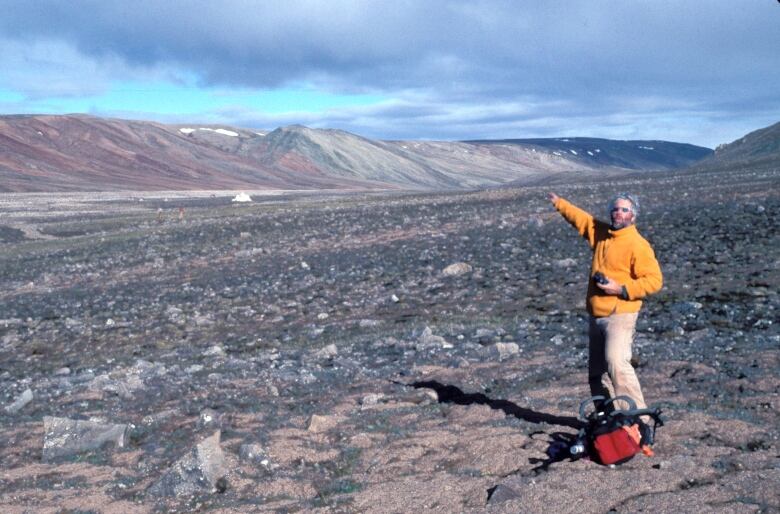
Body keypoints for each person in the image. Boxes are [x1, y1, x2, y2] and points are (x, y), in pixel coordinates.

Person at [548, 192, 662, 416]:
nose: (618, 213)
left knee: (617, 364)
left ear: (633, 216)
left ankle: (639, 420)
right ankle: (609, 420)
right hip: (596, 314)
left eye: (625, 209)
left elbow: (655, 280)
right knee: (597, 374)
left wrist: (621, 288)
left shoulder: (638, 245)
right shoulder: (602, 234)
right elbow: (582, 220)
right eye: (616, 209)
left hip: (620, 313)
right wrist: (560, 204)